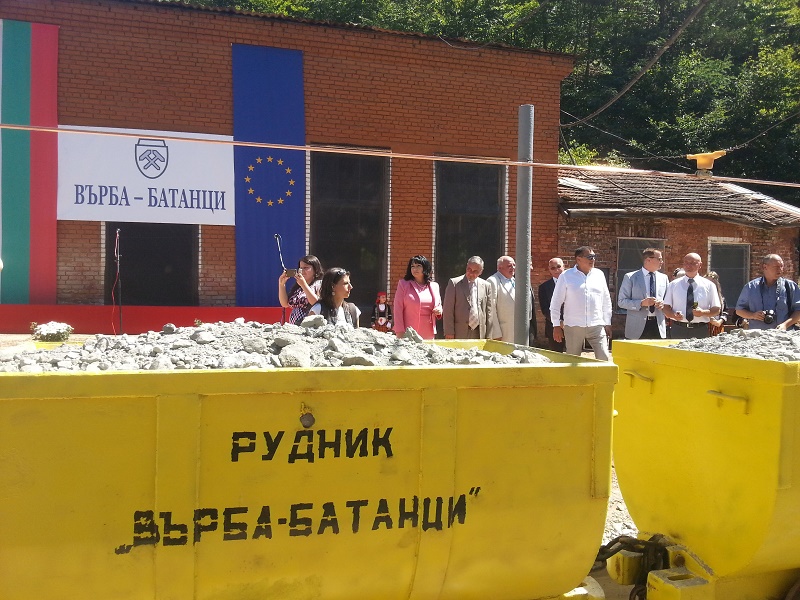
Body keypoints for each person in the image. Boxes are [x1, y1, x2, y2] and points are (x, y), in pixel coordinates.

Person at [550, 247, 613, 360]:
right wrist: (556, 325)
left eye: (594, 257)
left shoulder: (599, 275)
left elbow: (606, 300)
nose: (593, 260)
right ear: (578, 259)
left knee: (604, 358)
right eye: (590, 257)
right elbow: (556, 302)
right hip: (574, 326)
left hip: (596, 325)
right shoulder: (566, 276)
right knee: (573, 361)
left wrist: (607, 322)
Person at [734, 254, 800, 331]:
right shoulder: (750, 287)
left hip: (783, 335)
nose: (780, 269)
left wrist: (785, 325)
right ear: (764, 267)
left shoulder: (790, 286)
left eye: (781, 266)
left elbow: (798, 310)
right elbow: (739, 310)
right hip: (757, 335)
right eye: (776, 267)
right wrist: (753, 315)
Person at [663, 253, 720, 339]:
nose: (689, 265)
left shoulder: (709, 285)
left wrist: (703, 312)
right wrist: (673, 315)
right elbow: (666, 307)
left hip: (700, 329)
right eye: (686, 262)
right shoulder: (673, 285)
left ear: (700, 265)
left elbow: (716, 309)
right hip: (678, 328)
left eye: (693, 263)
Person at [617, 248, 669, 340]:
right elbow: (621, 302)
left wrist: (662, 304)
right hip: (636, 327)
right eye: (659, 259)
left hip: (658, 326)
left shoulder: (664, 278)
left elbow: (668, 300)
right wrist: (641, 303)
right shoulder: (630, 277)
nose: (662, 262)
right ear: (648, 260)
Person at [443, 256, 493, 339]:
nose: (471, 273)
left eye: (475, 271)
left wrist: (489, 336)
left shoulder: (486, 286)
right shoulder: (454, 283)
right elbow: (448, 310)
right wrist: (449, 332)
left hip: (479, 332)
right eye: (469, 269)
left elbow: (489, 312)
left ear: (481, 271)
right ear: (466, 266)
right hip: (459, 332)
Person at [393, 255, 443, 339]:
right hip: (409, 331)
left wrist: (439, 310)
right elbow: (397, 309)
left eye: (418, 266)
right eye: (412, 266)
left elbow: (438, 305)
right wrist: (399, 331)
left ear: (425, 267)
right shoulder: (403, 284)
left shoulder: (434, 286)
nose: (415, 269)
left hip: (428, 330)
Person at [488, 256, 530, 343]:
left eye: (514, 265)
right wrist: (496, 333)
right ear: (500, 267)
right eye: (509, 266)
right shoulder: (493, 281)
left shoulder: (515, 281)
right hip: (503, 332)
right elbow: (491, 309)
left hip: (519, 331)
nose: (513, 268)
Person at [278, 255, 323, 325]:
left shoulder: (319, 284)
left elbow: (316, 304)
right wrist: (281, 284)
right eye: (300, 268)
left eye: (306, 268)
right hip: (294, 326)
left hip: (310, 326)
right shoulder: (298, 287)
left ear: (315, 269)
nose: (302, 271)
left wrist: (304, 285)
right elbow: (284, 304)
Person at [538, 257, 565, 352]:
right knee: (557, 356)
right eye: (553, 268)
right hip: (553, 327)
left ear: (563, 267)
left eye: (558, 266)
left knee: (574, 356)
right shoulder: (544, 287)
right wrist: (558, 323)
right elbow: (545, 309)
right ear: (549, 270)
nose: (556, 270)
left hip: (573, 325)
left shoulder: (573, 284)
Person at [705, 271, 728, 335]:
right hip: (704, 325)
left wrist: (720, 321)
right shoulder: (701, 297)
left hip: (718, 326)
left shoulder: (721, 298)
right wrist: (709, 318)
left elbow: (725, 311)